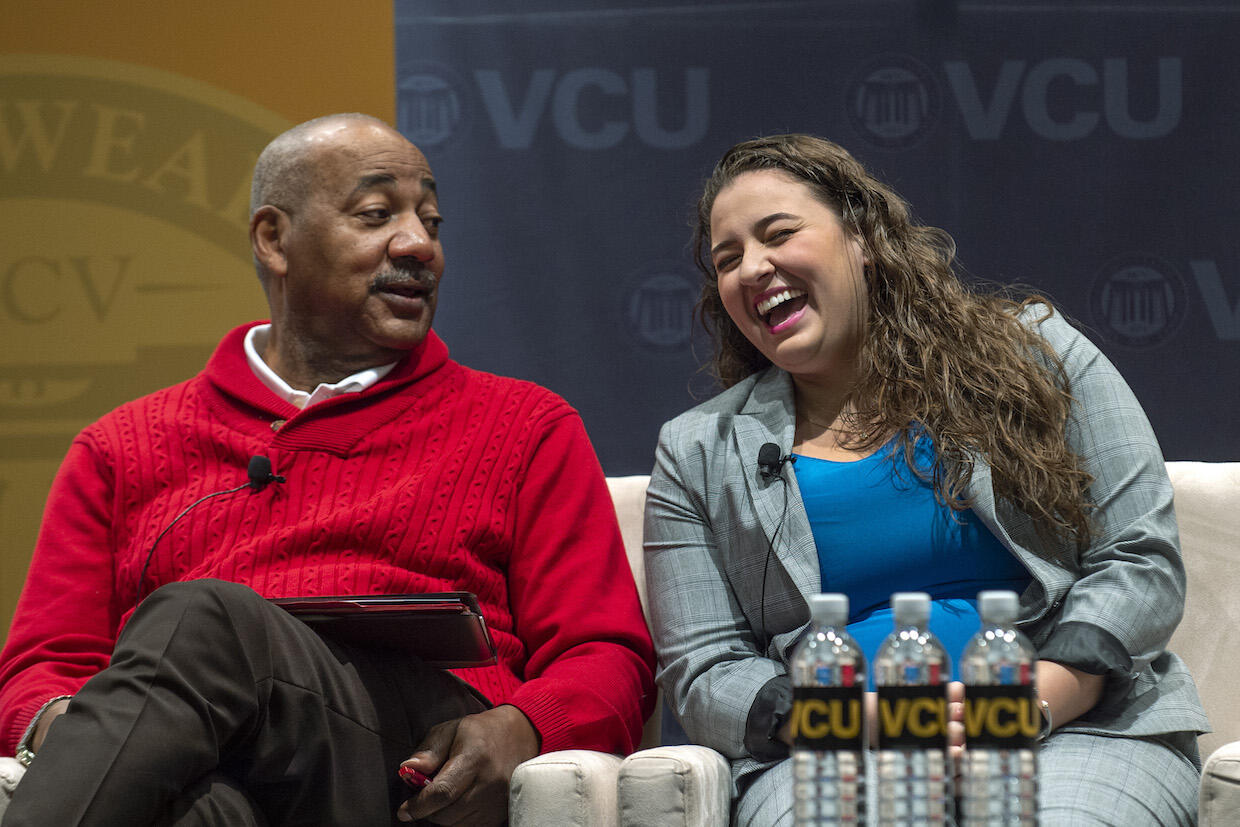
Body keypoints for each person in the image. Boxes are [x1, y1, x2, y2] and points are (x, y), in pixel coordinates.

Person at [0, 113, 656, 826]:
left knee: (203, 619)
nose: (418, 244)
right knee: (199, 808)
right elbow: (41, 667)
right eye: (377, 215)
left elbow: (607, 656)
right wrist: (80, 729)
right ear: (273, 238)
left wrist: (525, 725)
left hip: (412, 761)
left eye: (431, 221)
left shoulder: (524, 425)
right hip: (208, 758)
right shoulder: (119, 447)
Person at [643, 134, 1208, 825]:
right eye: (727, 259)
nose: (752, 268)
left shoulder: (1036, 356)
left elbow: (1138, 558)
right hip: (830, 749)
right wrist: (867, 719)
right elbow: (706, 668)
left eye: (779, 234)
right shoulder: (698, 449)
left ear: (862, 237)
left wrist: (1034, 698)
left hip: (1076, 728)